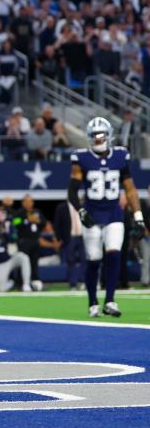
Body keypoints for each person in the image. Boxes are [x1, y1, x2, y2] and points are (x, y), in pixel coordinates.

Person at [68, 117, 145, 317]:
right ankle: (92, 302)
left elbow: (130, 188)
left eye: (101, 135)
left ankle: (110, 300)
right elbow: (72, 192)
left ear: (109, 135)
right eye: (94, 135)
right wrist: (81, 211)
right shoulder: (82, 158)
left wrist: (138, 216)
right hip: (92, 214)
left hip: (113, 214)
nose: (97, 139)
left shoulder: (120, 156)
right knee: (94, 259)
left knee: (114, 254)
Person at [0, 209, 32, 292]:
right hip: (0, 263)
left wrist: (4, 232)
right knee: (1, 289)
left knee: (24, 257)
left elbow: (14, 238)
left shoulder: (9, 225)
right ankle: (9, 283)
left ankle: (26, 284)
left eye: (0, 216)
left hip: (11, 257)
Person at [14, 194, 45, 291]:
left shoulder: (37, 212)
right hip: (24, 241)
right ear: (23, 203)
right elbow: (15, 222)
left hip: (35, 241)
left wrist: (38, 221)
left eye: (30, 202)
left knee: (34, 262)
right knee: (23, 262)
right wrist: (27, 220)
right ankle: (20, 282)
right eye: (27, 202)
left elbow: (43, 222)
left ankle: (34, 282)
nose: (29, 204)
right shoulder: (19, 212)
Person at [53, 199, 86, 290]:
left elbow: (88, 221)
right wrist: (58, 239)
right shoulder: (61, 208)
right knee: (71, 261)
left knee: (85, 259)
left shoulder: (83, 206)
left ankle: (84, 282)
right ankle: (73, 284)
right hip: (69, 238)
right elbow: (57, 224)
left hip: (82, 237)